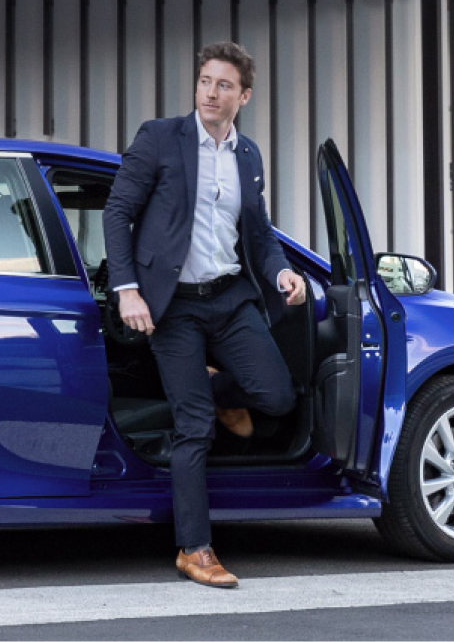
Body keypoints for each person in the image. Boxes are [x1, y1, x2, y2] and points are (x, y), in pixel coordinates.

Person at [102, 41, 308, 589]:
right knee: (192, 428)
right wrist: (128, 290)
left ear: (244, 95)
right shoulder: (160, 138)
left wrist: (282, 272)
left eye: (223, 85)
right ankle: (196, 550)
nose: (210, 93)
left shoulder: (248, 155)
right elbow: (117, 211)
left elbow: (259, 233)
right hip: (173, 308)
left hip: (229, 296)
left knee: (277, 394)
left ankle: (213, 393)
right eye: (204, 82)